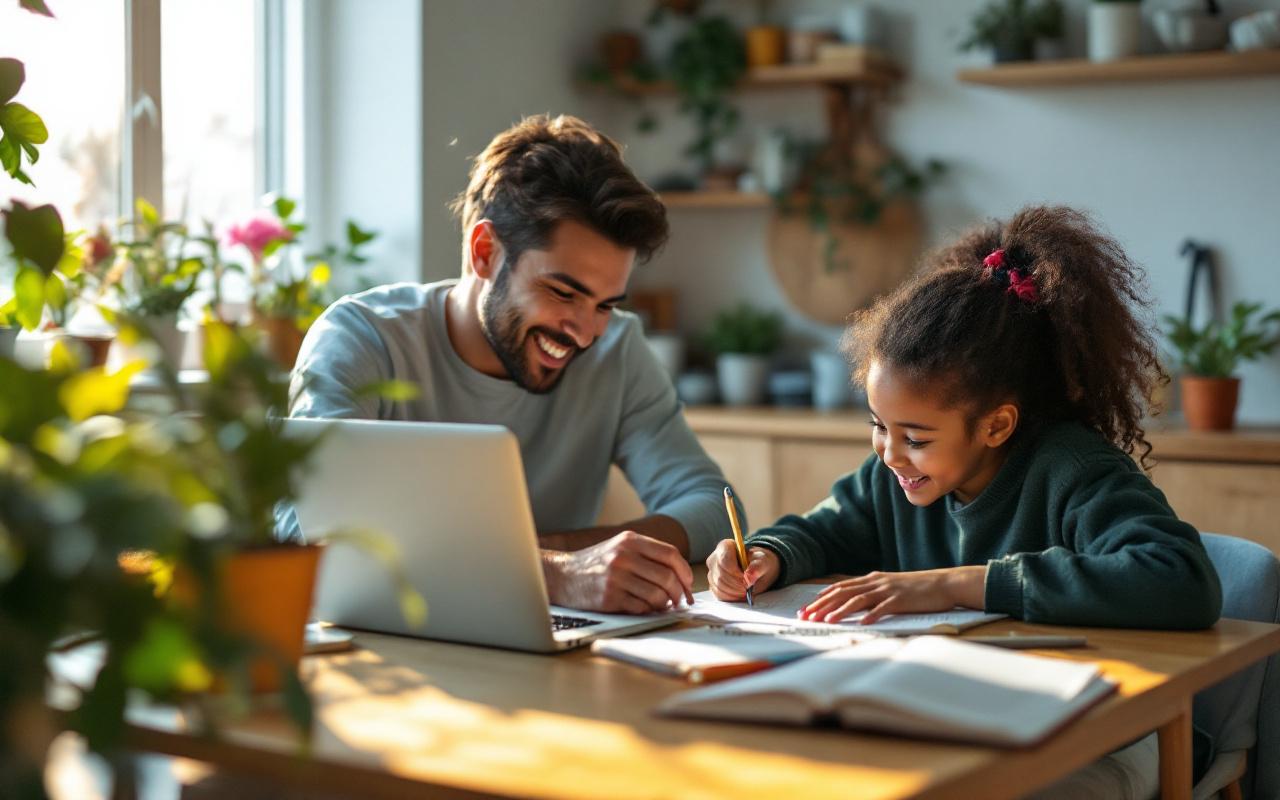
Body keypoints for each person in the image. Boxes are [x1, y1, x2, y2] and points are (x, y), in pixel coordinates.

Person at [707, 205, 1222, 798]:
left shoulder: (1072, 471)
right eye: (879, 425)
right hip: (962, 719)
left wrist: (958, 584)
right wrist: (771, 553)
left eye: (916, 438)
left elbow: (1183, 579)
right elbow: (828, 528)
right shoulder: (896, 477)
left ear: (997, 425)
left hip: (1103, 731)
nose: (890, 454)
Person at [285, 114, 737, 615]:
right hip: (388, 647)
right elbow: (311, 530)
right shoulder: (363, 339)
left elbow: (715, 508)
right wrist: (550, 571)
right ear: (485, 252)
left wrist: (556, 554)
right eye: (563, 292)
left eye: (606, 304)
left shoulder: (618, 351)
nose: (586, 332)